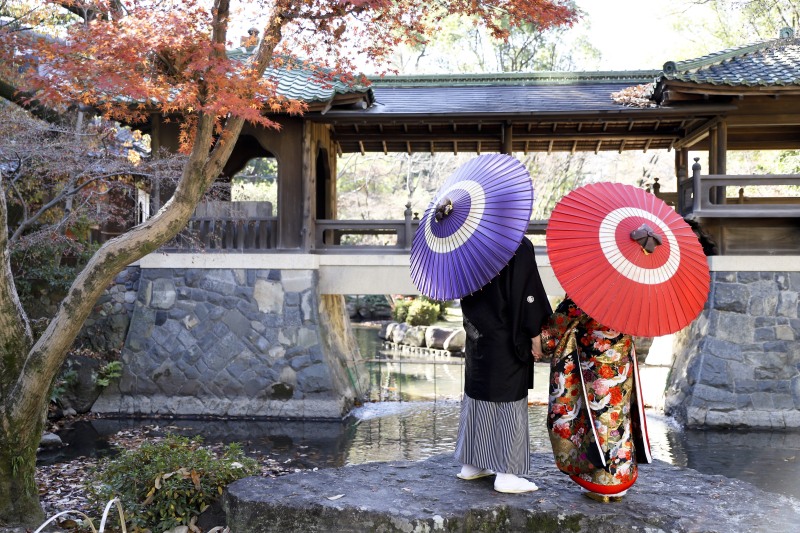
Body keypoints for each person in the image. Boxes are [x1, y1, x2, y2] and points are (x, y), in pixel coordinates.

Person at [454, 236, 552, 494]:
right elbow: (527, 295)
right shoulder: (515, 244)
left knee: (478, 394)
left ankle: (472, 464)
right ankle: (506, 474)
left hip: (477, 334)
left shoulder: (469, 241)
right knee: (509, 399)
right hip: (507, 337)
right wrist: (536, 336)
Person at [540, 297, 652, 503]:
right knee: (618, 416)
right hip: (621, 356)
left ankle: (603, 484)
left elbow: (563, 318)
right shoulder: (633, 289)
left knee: (597, 418)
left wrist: (543, 340)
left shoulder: (589, 290)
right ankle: (620, 478)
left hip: (594, 360)